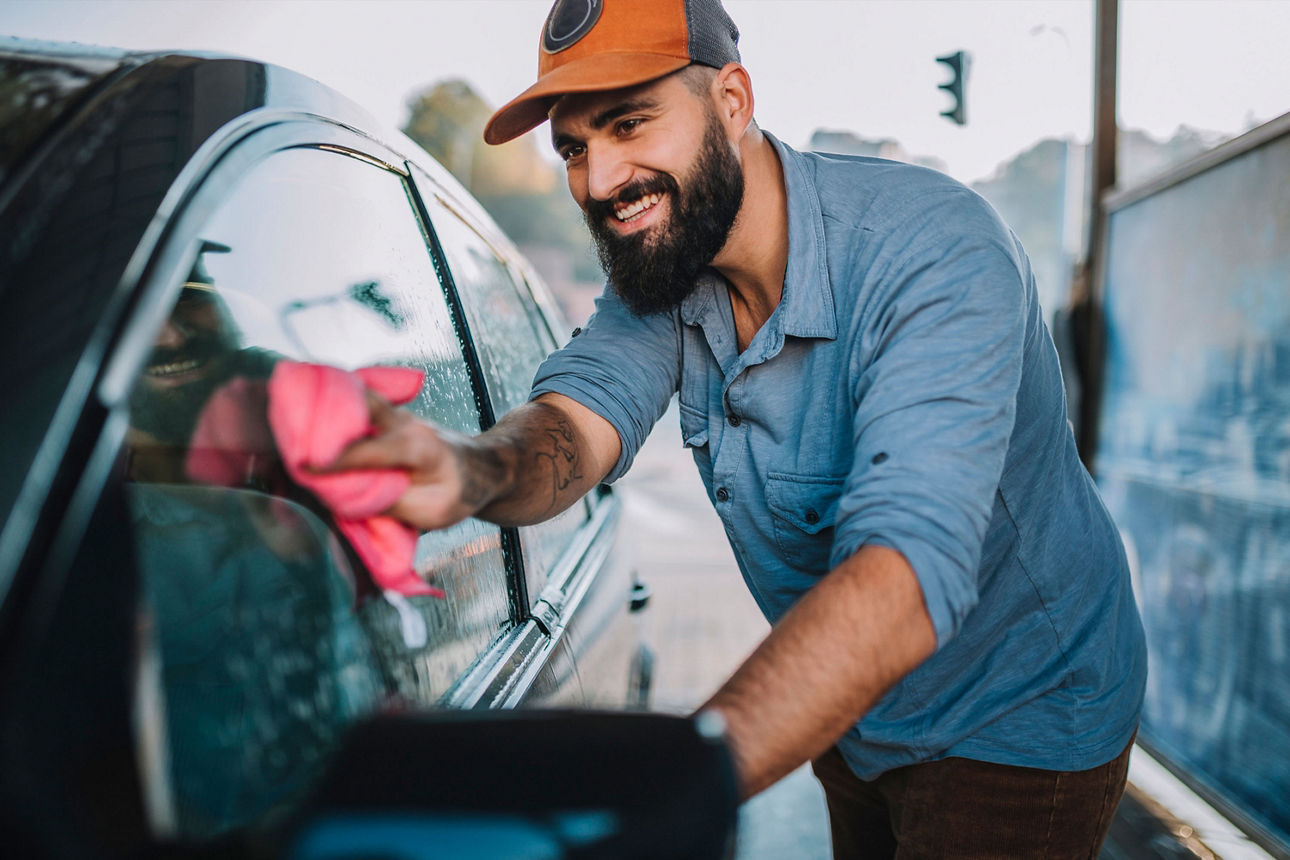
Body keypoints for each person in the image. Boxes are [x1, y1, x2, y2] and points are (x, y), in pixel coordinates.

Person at [330, 0, 1147, 855]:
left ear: (732, 102)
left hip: (1017, 712)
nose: (600, 180)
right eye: (573, 147)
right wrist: (467, 470)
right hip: (849, 701)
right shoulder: (671, 265)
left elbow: (908, 572)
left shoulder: (934, 250)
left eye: (629, 122)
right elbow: (574, 424)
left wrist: (682, 778)